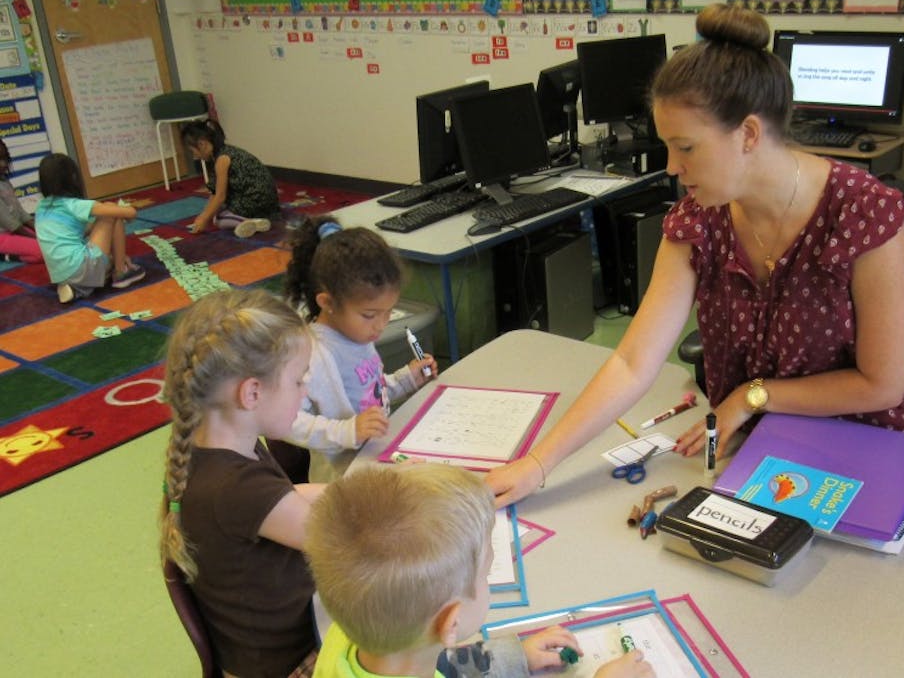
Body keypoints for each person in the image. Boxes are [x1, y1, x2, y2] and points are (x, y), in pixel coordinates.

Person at [487, 3, 904, 508]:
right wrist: (539, 464)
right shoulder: (699, 220)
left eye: (686, 147)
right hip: (769, 446)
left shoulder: (862, 210)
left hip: (881, 441)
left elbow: (883, 385)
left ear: (749, 134)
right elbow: (631, 361)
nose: (673, 167)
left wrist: (752, 396)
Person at [304, 462, 652, 678]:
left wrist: (515, 657)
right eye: (486, 574)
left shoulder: (352, 636)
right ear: (451, 623)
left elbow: (437, 659)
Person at [159, 288, 325, 678]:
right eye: (299, 381)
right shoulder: (236, 488)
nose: (306, 393)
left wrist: (367, 486)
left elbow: (286, 502)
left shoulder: (222, 450)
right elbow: (344, 539)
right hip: (290, 664)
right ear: (252, 392)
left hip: (279, 645)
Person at [284, 216, 437, 481]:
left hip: (374, 459)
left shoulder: (357, 336)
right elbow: (286, 421)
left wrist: (406, 380)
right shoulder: (313, 354)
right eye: (369, 315)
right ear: (327, 302)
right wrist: (348, 431)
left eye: (389, 312)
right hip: (340, 482)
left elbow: (370, 395)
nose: (380, 325)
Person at [34, 153, 145, 303]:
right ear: (73, 178)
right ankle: (120, 273)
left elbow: (80, 232)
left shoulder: (41, 207)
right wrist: (126, 212)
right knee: (112, 211)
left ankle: (77, 289)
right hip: (80, 266)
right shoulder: (74, 205)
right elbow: (130, 212)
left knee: (103, 257)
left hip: (60, 274)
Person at [181, 118, 280, 238]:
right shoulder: (225, 152)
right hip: (270, 203)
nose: (195, 156)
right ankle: (256, 219)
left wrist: (204, 218)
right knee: (214, 211)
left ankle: (246, 222)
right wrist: (205, 214)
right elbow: (215, 192)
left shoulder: (221, 160)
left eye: (193, 151)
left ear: (202, 144)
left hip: (254, 201)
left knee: (218, 219)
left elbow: (220, 196)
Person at [0, 138, 42, 263]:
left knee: (51, 243)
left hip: (13, 231)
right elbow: (10, 223)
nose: (3, 164)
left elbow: (21, 214)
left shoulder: (5, 182)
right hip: (3, 235)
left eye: (5, 159)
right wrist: (38, 239)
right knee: (44, 251)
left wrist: (42, 230)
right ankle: (5, 256)